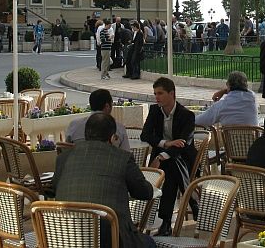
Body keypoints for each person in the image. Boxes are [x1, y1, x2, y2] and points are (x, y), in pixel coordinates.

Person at [54, 113, 155, 248]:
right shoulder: (122, 158)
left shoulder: (63, 158)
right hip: (111, 239)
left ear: (86, 134)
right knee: (150, 243)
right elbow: (144, 192)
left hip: (66, 237)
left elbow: (55, 188)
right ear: (112, 137)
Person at [140, 77, 197, 236]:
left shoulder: (187, 115)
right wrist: (166, 144)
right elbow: (144, 135)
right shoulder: (154, 111)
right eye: (155, 93)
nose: (156, 97)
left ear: (171, 93)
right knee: (171, 170)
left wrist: (161, 157)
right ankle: (190, 199)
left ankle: (165, 223)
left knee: (172, 167)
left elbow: (183, 144)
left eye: (160, 93)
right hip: (167, 158)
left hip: (183, 159)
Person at [66, 89, 130, 151]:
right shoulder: (118, 128)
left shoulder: (74, 125)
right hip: (108, 161)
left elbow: (66, 148)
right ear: (107, 106)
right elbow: (126, 154)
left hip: (77, 161)